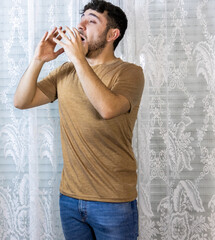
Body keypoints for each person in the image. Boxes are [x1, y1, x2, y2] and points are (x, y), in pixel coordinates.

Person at [14, 0, 144, 239]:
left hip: (113, 201)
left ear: (112, 34)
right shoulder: (66, 71)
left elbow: (107, 108)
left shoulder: (129, 73)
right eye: (81, 18)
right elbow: (22, 101)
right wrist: (38, 60)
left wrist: (78, 59)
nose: (81, 25)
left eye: (92, 21)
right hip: (70, 200)